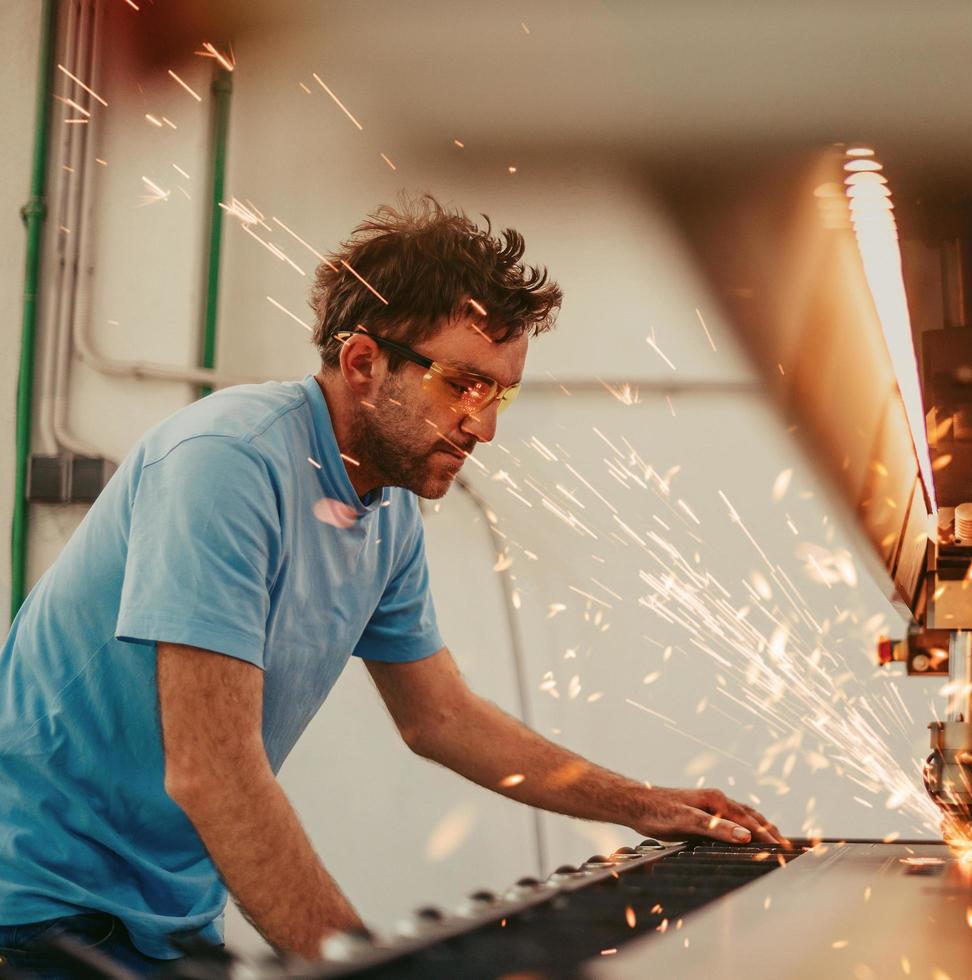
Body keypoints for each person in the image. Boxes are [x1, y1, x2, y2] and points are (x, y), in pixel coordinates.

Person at [0, 196, 783, 976]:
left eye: (499, 393)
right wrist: (360, 965)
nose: (485, 426)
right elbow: (213, 769)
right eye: (462, 385)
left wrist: (646, 804)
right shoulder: (227, 462)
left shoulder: (384, 509)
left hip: (159, 918)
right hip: (34, 908)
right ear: (363, 363)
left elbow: (441, 717)